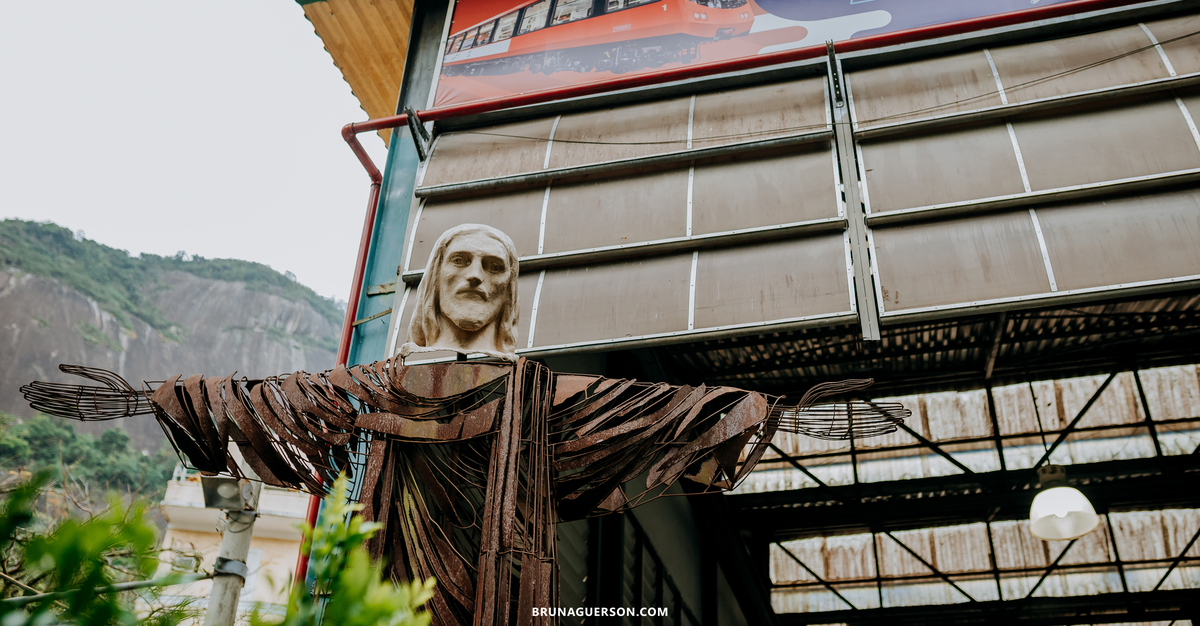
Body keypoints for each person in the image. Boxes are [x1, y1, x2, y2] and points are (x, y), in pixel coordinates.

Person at [22, 224, 908, 626]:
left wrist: (778, 415)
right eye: (464, 264)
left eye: (495, 266)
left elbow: (660, 413)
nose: (480, 276)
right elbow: (270, 399)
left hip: (505, 593)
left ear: (506, 291)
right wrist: (147, 398)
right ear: (438, 283)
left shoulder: (540, 396)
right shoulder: (376, 383)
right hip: (388, 581)